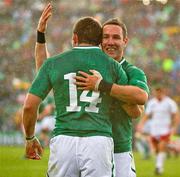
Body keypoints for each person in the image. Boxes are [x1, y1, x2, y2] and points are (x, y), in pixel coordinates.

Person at [35, 4, 149, 177]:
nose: (110, 42)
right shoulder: (86, 66)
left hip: (119, 150)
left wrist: (104, 86)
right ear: (99, 40)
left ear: (125, 41)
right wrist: (41, 36)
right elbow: (45, 70)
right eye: (106, 37)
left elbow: (137, 108)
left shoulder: (132, 72)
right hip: (84, 145)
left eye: (116, 37)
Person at [138, 86, 179, 175]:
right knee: (156, 149)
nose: (158, 94)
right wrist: (141, 124)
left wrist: (174, 127)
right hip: (154, 130)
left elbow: (176, 115)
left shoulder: (170, 103)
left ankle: (159, 167)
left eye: (160, 92)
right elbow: (146, 115)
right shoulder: (152, 103)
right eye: (157, 92)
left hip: (165, 130)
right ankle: (171, 148)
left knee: (161, 146)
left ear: (164, 92)